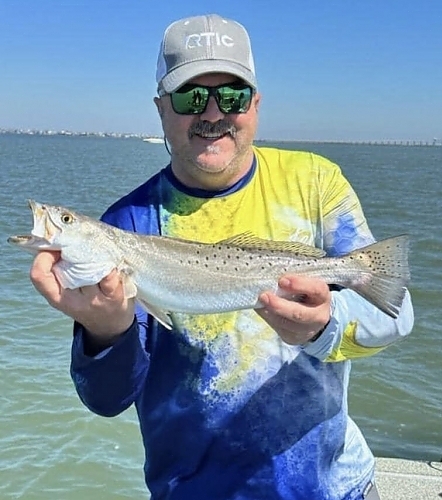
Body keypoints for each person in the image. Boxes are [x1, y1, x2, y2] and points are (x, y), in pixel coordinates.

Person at [30, 13, 414, 500]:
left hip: (335, 486)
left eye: (230, 95)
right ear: (161, 109)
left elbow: (396, 314)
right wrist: (106, 332)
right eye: (190, 97)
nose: (212, 114)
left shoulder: (316, 182)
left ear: (254, 104)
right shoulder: (128, 223)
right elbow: (105, 401)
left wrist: (325, 325)